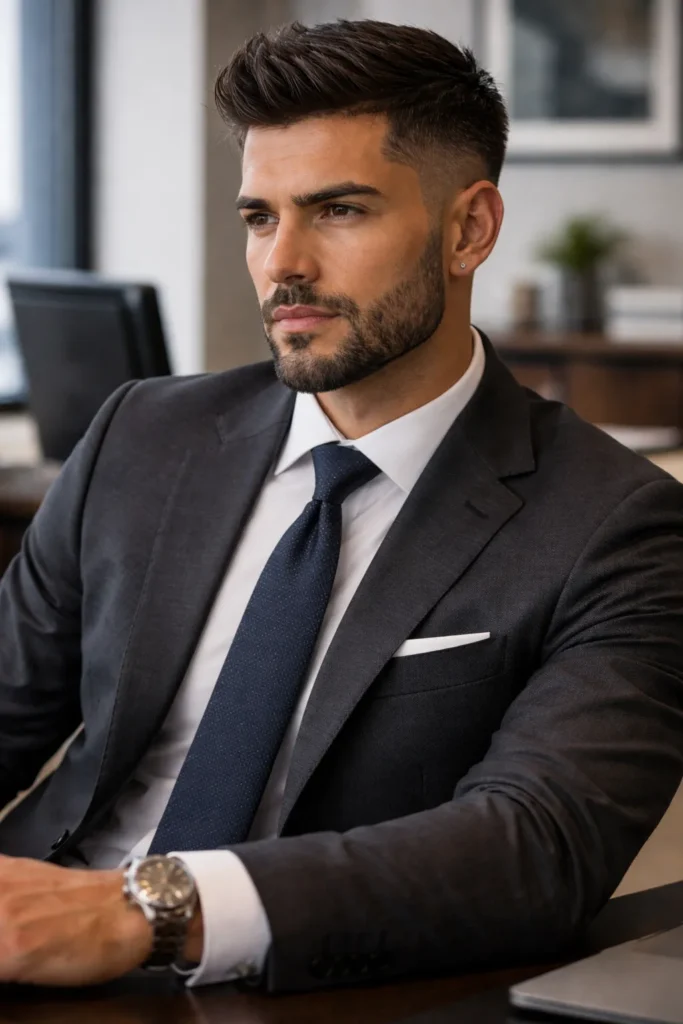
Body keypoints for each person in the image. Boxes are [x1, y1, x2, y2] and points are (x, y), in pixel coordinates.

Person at [0, 18, 682, 993]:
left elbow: (535, 844)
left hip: (293, 984)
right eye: (259, 217)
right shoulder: (143, 435)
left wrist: (143, 911)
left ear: (469, 230)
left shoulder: (618, 526)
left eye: (339, 211)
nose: (283, 262)